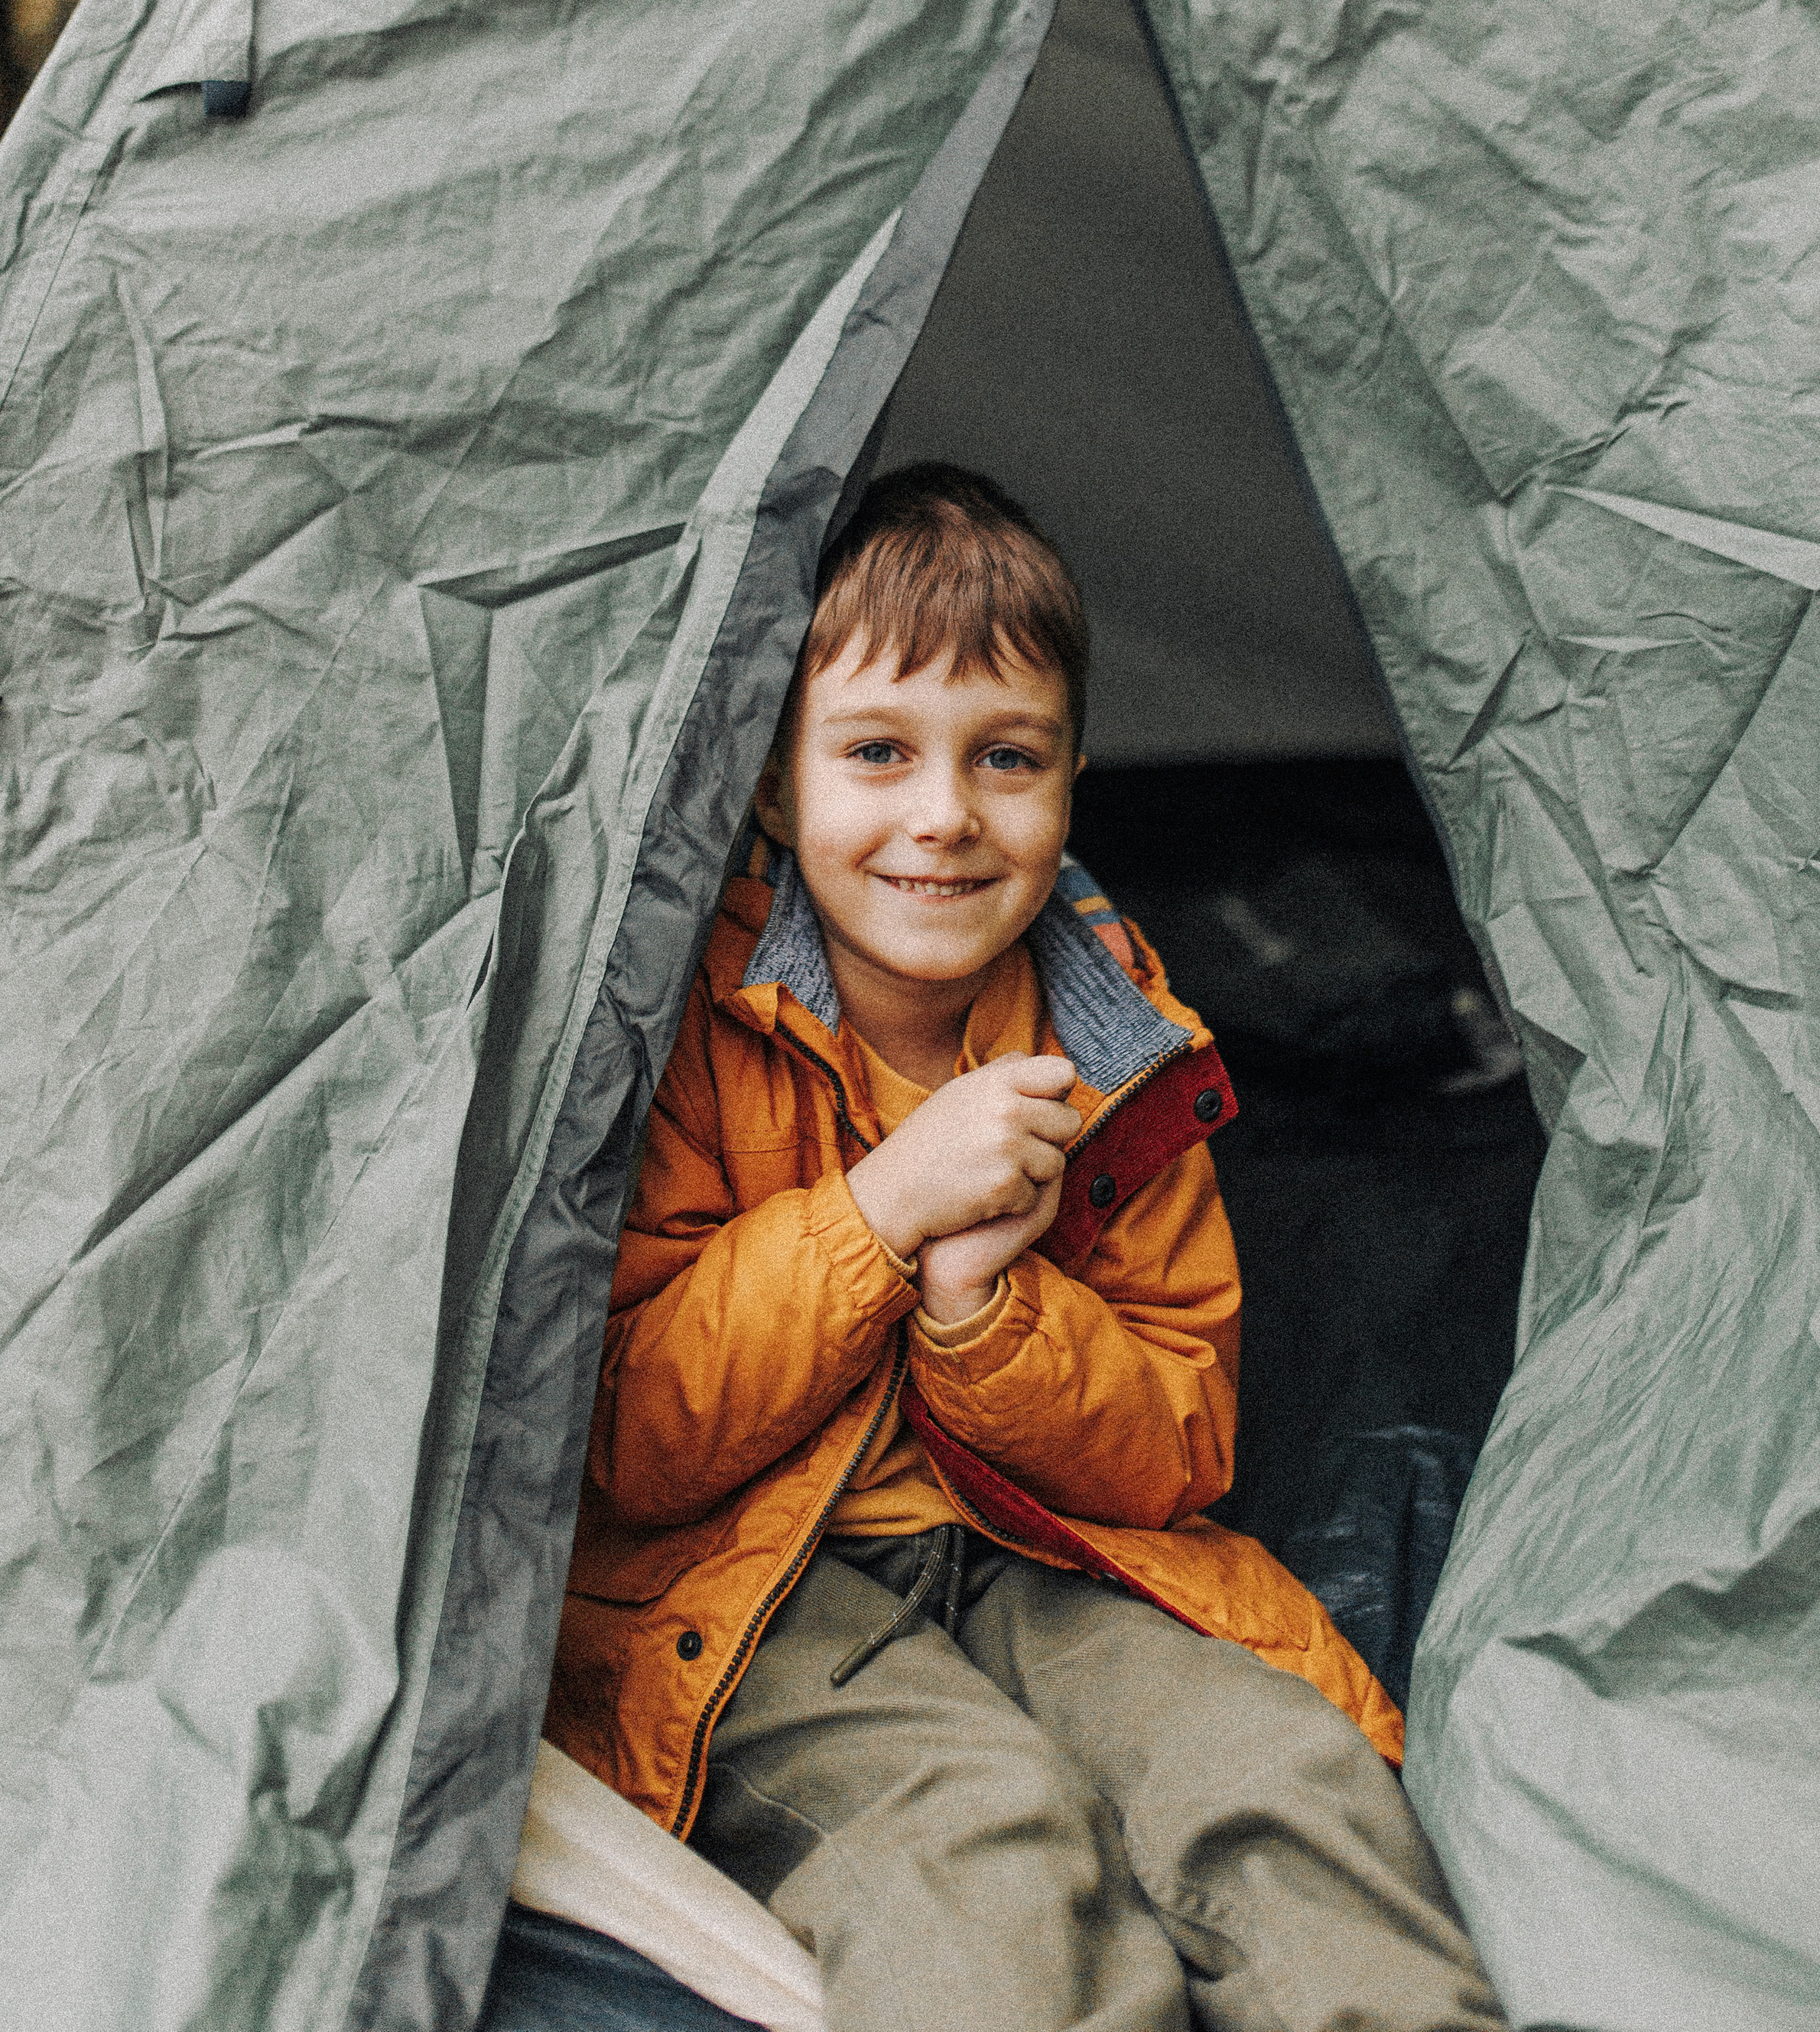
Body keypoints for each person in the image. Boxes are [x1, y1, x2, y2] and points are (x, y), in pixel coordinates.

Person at [545, 464, 1504, 2032]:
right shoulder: (684, 1026)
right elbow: (637, 1442)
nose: (942, 815)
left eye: (1005, 758)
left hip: (1042, 1553)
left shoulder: (1113, 1041)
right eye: (873, 753)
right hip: (756, 1590)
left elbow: (1174, 1446)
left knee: (1279, 1782)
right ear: (776, 792)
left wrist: (983, 1311)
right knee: (982, 1837)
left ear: (1066, 785)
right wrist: (870, 1219)